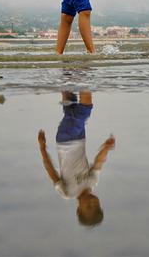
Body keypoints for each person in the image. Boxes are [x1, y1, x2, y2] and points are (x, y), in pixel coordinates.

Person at [38, 91, 115, 227]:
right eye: (97, 206)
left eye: (89, 208)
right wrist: (106, 148)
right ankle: (67, 73)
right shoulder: (92, 182)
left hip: (65, 140)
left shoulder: (68, 192)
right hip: (80, 137)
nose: (93, 203)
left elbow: (51, 171)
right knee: (70, 105)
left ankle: (83, 76)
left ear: (78, 209)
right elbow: (99, 162)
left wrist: (43, 148)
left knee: (85, 109)